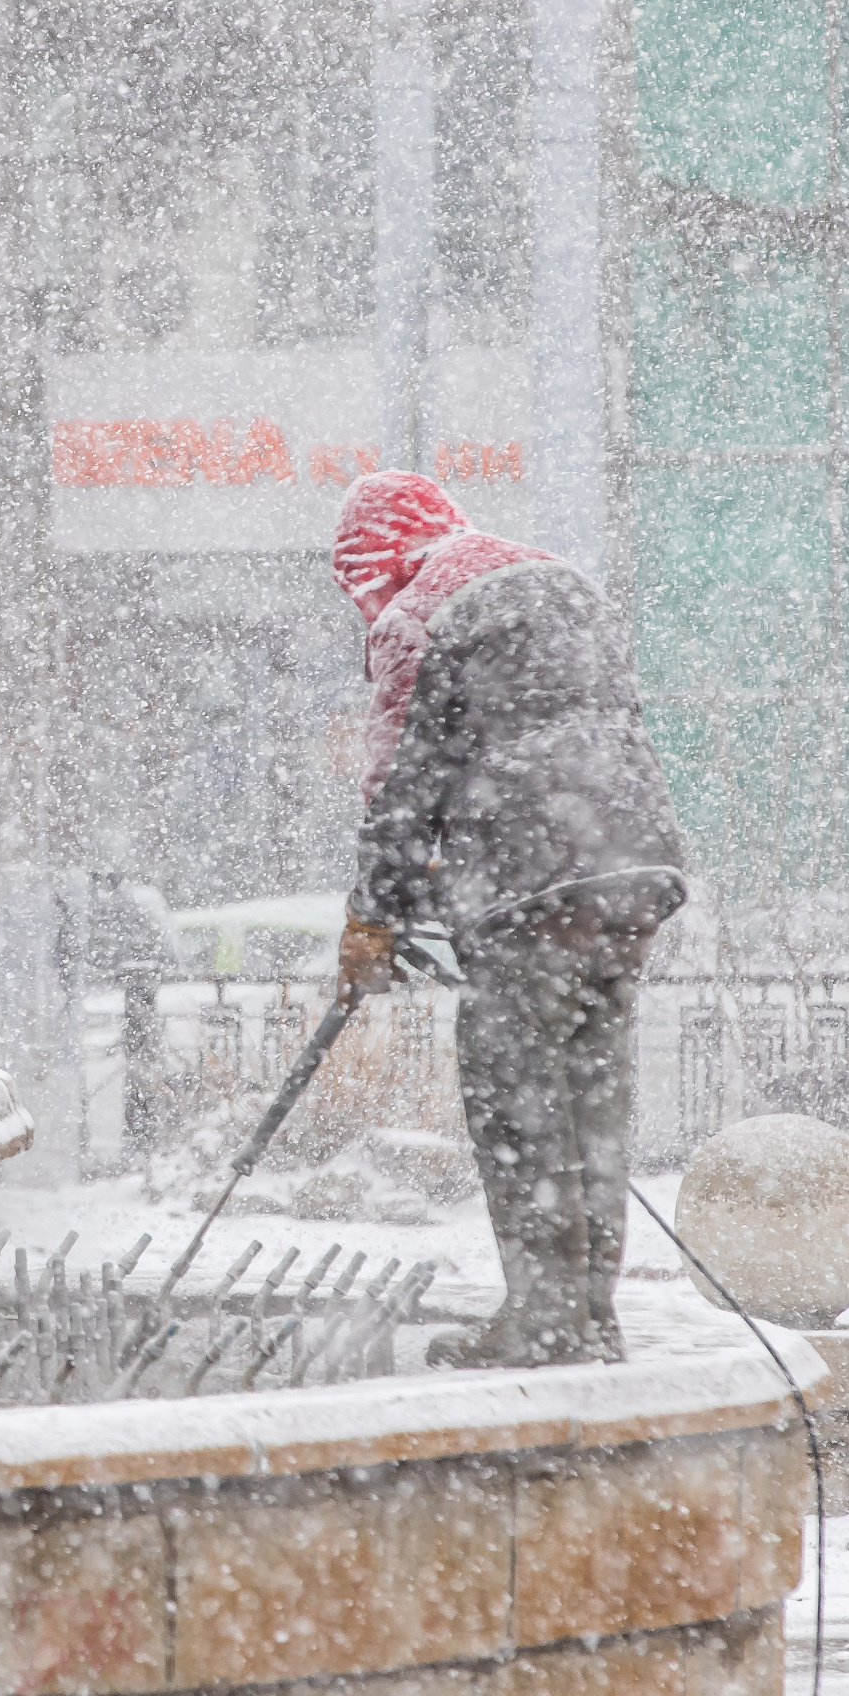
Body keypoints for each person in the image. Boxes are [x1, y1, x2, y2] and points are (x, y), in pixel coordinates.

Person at [329, 471, 687, 1368]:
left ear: (376, 556)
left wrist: (373, 918)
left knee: (519, 1108)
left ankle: (543, 1324)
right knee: (590, 1101)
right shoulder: (561, 581)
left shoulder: (421, 609)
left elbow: (401, 781)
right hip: (633, 865)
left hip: (531, 874)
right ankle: (588, 1320)